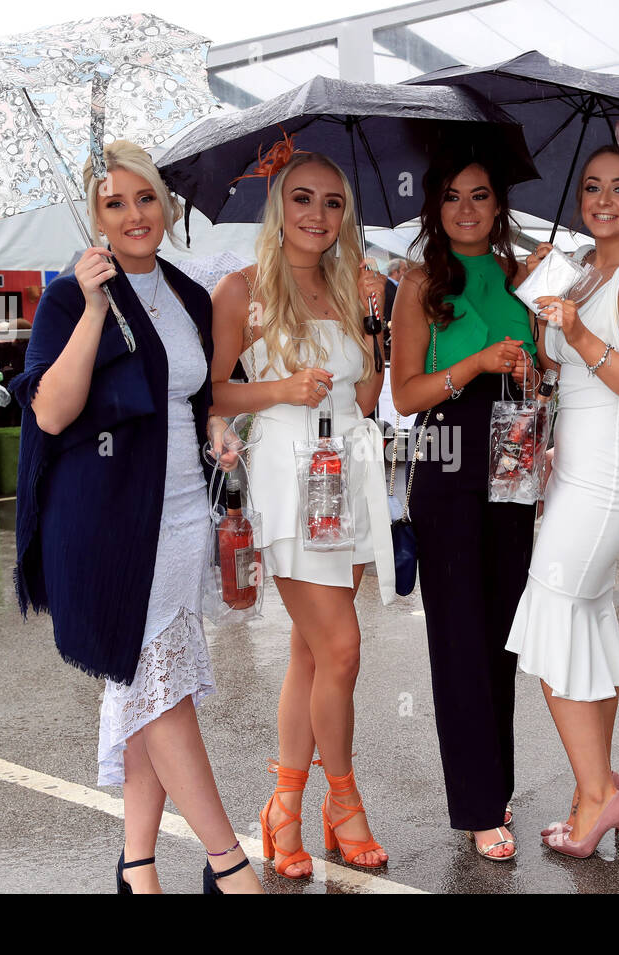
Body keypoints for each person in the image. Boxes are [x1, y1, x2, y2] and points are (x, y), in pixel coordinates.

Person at [10, 140, 261, 895]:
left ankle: (139, 869)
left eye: (144, 198)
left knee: (146, 689)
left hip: (184, 518)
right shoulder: (68, 298)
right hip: (111, 527)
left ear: (166, 204)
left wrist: (216, 429)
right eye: (113, 203)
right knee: (161, 690)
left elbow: (202, 392)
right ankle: (230, 867)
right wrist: (91, 308)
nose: (133, 214)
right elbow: (51, 412)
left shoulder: (186, 293)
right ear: (94, 217)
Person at [210, 147, 392, 879]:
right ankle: (341, 800)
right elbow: (214, 392)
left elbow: (372, 391)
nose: (318, 216)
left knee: (312, 653)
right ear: (279, 207)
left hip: (346, 473)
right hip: (287, 475)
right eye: (303, 199)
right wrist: (281, 391)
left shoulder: (359, 287)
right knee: (343, 648)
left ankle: (283, 807)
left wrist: (375, 331)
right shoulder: (242, 290)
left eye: (334, 203)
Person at [507, 134, 619, 859]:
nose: (603, 200)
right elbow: (563, 377)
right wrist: (535, 351)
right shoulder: (575, 275)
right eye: (592, 188)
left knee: (551, 626)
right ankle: (591, 793)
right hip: (571, 471)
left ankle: (600, 794)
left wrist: (577, 338)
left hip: (609, 481)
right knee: (588, 631)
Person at [389, 145, 540, 862]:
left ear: (498, 205)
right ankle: (478, 805)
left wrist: (532, 372)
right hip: (448, 462)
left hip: (514, 458)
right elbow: (406, 395)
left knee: (504, 634)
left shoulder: (520, 278)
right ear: (435, 208)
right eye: (452, 197)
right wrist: (475, 364)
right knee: (459, 640)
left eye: (479, 196)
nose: (467, 209)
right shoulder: (420, 283)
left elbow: (541, 373)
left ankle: (498, 784)